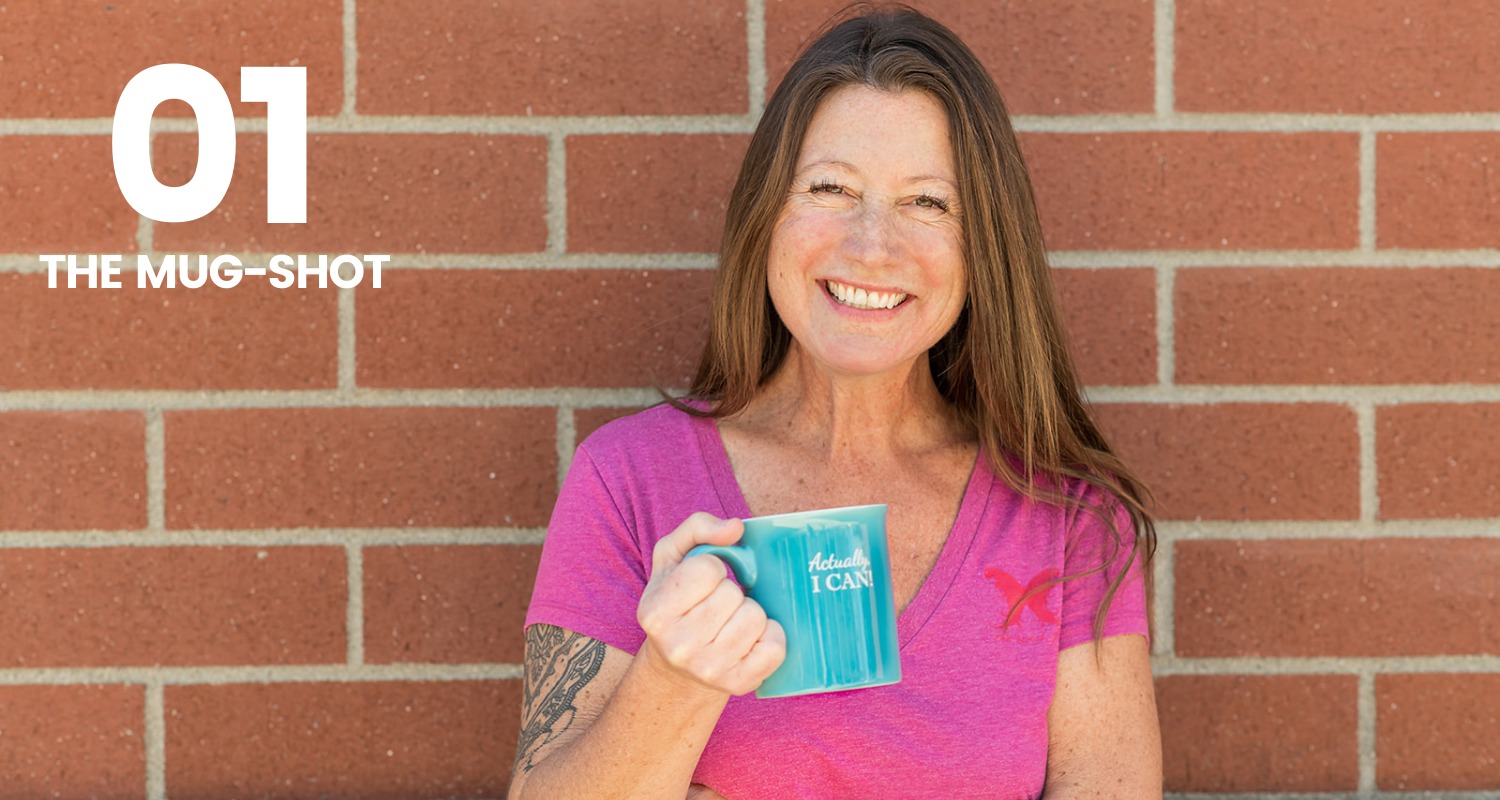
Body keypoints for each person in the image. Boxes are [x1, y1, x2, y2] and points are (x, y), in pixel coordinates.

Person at [509, 6, 1161, 798]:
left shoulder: (1069, 521)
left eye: (927, 202)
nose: (870, 245)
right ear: (766, 216)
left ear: (984, 244)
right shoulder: (628, 480)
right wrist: (674, 681)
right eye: (830, 187)